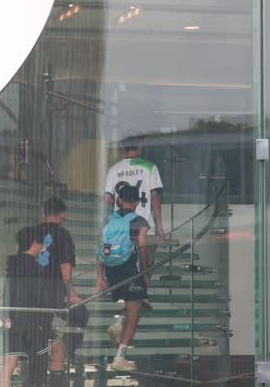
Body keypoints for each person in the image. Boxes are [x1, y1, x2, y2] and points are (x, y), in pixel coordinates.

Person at [96, 183, 151, 372]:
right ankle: (119, 358)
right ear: (136, 202)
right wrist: (147, 271)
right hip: (131, 272)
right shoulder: (140, 222)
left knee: (135, 304)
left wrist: (100, 278)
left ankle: (119, 323)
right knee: (134, 315)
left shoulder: (107, 220)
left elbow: (101, 250)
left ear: (119, 200)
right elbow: (143, 249)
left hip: (111, 272)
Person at [1, 225, 57, 387]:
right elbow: (40, 296)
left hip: (14, 320)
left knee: (9, 364)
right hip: (34, 322)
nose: (43, 246)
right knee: (39, 362)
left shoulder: (12, 265)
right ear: (34, 243)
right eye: (42, 243)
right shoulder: (34, 267)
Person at [35, 197, 83, 387]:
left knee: (39, 336)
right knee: (58, 336)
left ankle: (35, 378)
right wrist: (71, 292)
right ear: (63, 214)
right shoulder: (63, 235)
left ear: (43, 212)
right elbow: (65, 270)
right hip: (53, 294)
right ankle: (56, 378)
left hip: (31, 293)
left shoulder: (32, 233)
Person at [103, 141, 165, 242]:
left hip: (121, 227)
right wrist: (160, 228)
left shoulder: (113, 169)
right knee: (145, 256)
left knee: (122, 256)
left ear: (123, 146)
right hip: (145, 227)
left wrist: (119, 204)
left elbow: (107, 197)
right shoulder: (150, 167)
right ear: (140, 145)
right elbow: (155, 198)